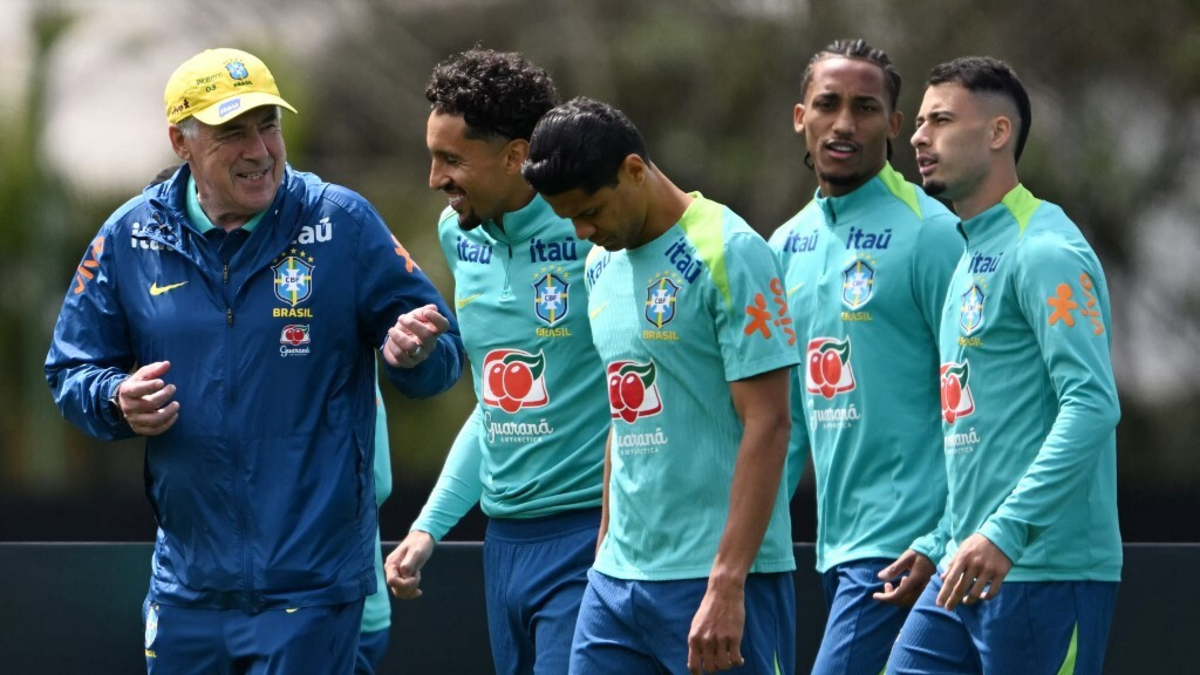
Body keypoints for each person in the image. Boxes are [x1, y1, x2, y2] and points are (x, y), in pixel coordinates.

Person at [44, 47, 465, 674]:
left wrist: (415, 354)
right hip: (187, 589)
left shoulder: (341, 221)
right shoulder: (130, 236)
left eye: (268, 125)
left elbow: (444, 353)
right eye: (232, 133)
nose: (260, 150)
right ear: (181, 143)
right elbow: (69, 370)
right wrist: (113, 397)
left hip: (312, 589)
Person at [523, 97, 799, 675]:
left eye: (590, 211)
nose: (582, 231)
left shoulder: (731, 250)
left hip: (713, 581)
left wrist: (727, 582)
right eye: (569, 219)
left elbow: (770, 423)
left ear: (633, 170)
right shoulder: (599, 264)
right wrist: (603, 549)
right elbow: (623, 416)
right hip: (615, 583)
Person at [885, 56, 1121, 674]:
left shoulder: (1045, 250)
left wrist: (1004, 532)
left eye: (940, 120)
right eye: (920, 122)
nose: (918, 136)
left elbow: (1092, 405)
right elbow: (982, 431)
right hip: (963, 565)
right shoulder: (969, 255)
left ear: (998, 132)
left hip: (1044, 571)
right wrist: (942, 537)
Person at [382, 49, 611, 674]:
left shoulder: (594, 232)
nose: (435, 178)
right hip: (503, 543)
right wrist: (428, 528)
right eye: (432, 157)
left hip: (590, 534)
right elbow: (494, 407)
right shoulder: (458, 235)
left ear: (515, 156)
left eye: (452, 160)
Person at [766, 39, 962, 674]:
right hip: (835, 549)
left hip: (909, 550)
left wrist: (942, 536)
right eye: (828, 104)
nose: (844, 123)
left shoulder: (933, 234)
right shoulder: (784, 246)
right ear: (801, 117)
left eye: (865, 108)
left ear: (895, 125)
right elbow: (783, 420)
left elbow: (980, 396)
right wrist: (742, 548)